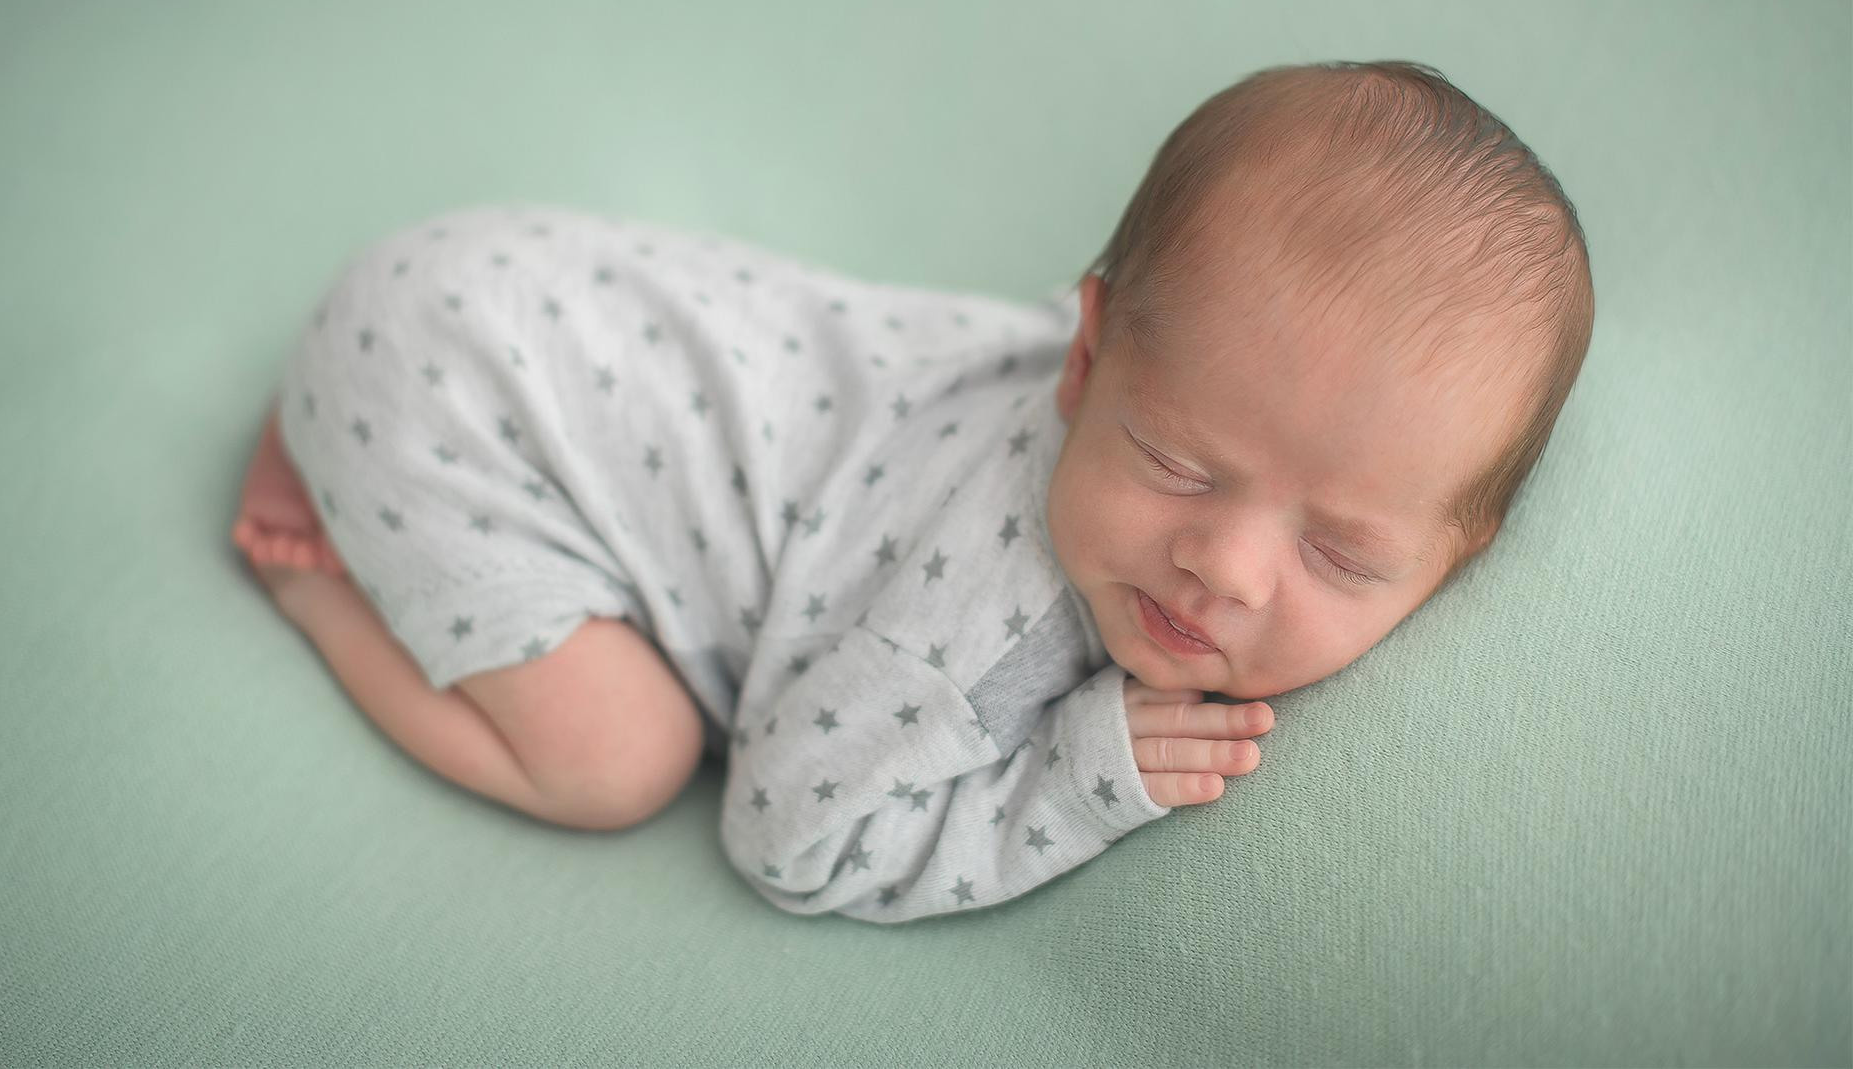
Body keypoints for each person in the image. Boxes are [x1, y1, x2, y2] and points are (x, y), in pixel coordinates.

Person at [230, 59, 1594, 924]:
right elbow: (787, 836)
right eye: (1178, 462)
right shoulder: (969, 642)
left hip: (506, 282)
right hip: (445, 388)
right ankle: (314, 563)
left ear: (1456, 560)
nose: (1225, 570)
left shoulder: (1146, 370)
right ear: (1086, 358)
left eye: (1344, 555)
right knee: (616, 761)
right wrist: (1076, 776)